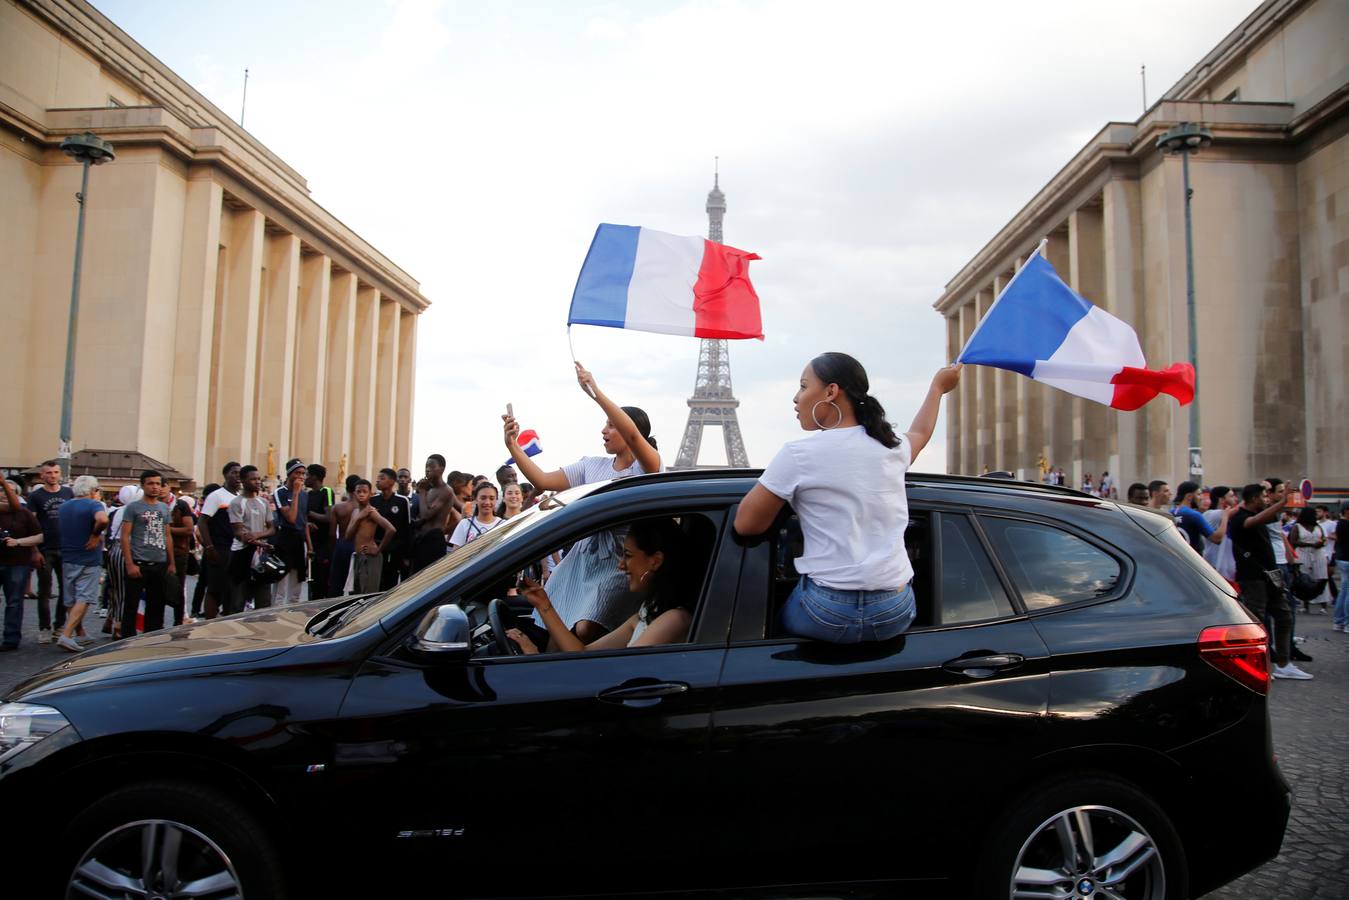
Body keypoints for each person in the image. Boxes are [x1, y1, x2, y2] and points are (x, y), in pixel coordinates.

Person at [734, 354, 961, 643]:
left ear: (831, 391)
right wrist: (937, 389)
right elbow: (920, 432)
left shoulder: (798, 455)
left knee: (762, 632)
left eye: (803, 386)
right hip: (894, 609)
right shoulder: (891, 448)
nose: (796, 397)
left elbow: (746, 525)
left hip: (826, 612)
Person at [503, 361, 661, 642]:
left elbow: (634, 435)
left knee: (587, 628)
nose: (603, 431)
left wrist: (595, 392)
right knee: (555, 622)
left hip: (620, 564)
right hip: (581, 559)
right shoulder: (591, 466)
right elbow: (542, 480)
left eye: (611, 425)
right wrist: (512, 446)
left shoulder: (646, 467)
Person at [508, 518, 693, 654]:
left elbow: (619, 674)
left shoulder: (674, 620)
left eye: (628, 555)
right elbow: (583, 653)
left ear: (655, 561)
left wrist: (533, 655)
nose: (621, 565)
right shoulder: (648, 612)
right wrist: (543, 604)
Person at [1229, 482, 1307, 679]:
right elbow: (1254, 520)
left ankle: (1283, 664)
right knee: (1257, 621)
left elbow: (1267, 516)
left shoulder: (1262, 515)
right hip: (1252, 578)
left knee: (1284, 616)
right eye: (1264, 497)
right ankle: (1257, 665)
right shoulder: (1239, 519)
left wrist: (1280, 501)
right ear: (1254, 498)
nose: (1266, 500)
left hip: (1272, 576)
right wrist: (1282, 501)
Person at [119, 470, 178, 639]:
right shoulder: (133, 507)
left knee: (157, 604)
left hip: (159, 563)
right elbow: (125, 536)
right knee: (131, 604)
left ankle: (151, 638)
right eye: (150, 483)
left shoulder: (163, 508)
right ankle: (127, 639)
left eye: (158, 483)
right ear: (143, 485)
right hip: (139, 562)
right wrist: (130, 564)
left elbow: (167, 535)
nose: (155, 487)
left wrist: (171, 562)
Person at [55, 475, 108, 652]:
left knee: (70, 598)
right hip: (88, 557)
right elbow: (103, 520)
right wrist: (95, 535)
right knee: (84, 597)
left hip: (68, 555)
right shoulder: (94, 505)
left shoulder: (64, 506)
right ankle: (67, 634)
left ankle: (78, 633)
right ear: (93, 490)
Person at [27, 459, 74, 643]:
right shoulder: (36, 496)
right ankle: (44, 628)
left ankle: (59, 626)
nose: (53, 476)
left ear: (60, 474)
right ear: (42, 475)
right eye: (49, 473)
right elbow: (31, 525)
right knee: (44, 590)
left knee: (66, 590)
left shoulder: (68, 493)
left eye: (55, 472)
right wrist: (34, 551)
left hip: (66, 548)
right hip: (45, 549)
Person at [1, 478, 43, 651]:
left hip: (17, 562)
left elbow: (39, 536)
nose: (5, 494)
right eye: (2, 490)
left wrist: (18, 542)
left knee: (14, 602)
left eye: (10, 491)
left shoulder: (23, 513)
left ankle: (11, 638)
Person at [227, 465, 274, 614]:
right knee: (237, 602)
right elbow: (239, 533)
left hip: (260, 555)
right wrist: (257, 540)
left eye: (259, 479)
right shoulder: (236, 503)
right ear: (243, 480)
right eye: (253, 479)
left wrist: (258, 537)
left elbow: (272, 528)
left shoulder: (264, 503)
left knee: (264, 602)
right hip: (241, 554)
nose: (258, 482)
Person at [197, 462, 241, 619]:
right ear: (225, 475)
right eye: (234, 472)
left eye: (239, 473)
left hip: (235, 549)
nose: (237, 476)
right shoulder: (216, 496)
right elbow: (202, 522)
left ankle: (227, 621)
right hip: (219, 548)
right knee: (215, 590)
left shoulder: (239, 497)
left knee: (231, 590)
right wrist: (209, 547)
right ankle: (209, 622)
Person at [272, 459, 311, 605]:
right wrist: (295, 493)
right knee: (281, 585)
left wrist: (310, 546)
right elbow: (291, 518)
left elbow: (304, 521)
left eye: (303, 473)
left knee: (296, 584)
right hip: (285, 539)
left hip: (299, 540)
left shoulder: (305, 495)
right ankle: (275, 613)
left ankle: (293, 611)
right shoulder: (280, 492)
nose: (301, 476)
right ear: (289, 474)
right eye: (297, 473)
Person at [348, 480, 396, 594]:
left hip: (369, 557)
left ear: (370, 494)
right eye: (358, 491)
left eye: (364, 492)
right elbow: (348, 536)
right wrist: (359, 518)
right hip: (358, 556)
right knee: (356, 594)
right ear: (354, 494)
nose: (361, 494)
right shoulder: (355, 512)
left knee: (368, 594)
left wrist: (378, 549)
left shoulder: (371, 512)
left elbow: (391, 529)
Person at [412, 454, 454, 573]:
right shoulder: (429, 489)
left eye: (431, 466)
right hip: (421, 540)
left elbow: (426, 515)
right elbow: (422, 517)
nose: (427, 469)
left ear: (442, 469)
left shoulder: (446, 490)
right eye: (426, 466)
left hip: (433, 542)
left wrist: (421, 492)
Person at [372, 468, 413, 590]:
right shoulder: (373, 500)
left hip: (394, 551)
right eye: (378, 478)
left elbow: (407, 529)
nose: (378, 481)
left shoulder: (402, 501)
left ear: (391, 482)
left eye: (382, 478)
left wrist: (406, 556)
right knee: (376, 583)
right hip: (376, 549)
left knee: (390, 583)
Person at [1171, 480, 1232, 554]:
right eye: (1198, 494)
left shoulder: (1170, 513)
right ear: (1189, 496)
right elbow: (1217, 539)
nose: (1201, 498)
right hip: (1192, 557)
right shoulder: (1194, 515)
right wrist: (1225, 516)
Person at [1289, 507, 1328, 613]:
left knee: (1321, 578)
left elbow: (1323, 538)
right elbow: (1293, 541)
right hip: (1303, 554)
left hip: (1318, 554)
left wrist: (1322, 542)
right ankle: (1305, 605)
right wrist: (1310, 544)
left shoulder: (1318, 526)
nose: (1316, 516)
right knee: (1304, 580)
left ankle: (1323, 606)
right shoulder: (1297, 526)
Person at [167, 484, 197, 625]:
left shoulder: (180, 505)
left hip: (179, 551)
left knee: (179, 588)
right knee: (156, 590)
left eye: (160, 485)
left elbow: (189, 530)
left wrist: (168, 530)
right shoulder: (154, 505)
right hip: (157, 553)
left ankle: (179, 620)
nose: (157, 488)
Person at [305, 464, 333, 601]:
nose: (305, 478)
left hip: (323, 545)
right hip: (311, 544)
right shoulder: (307, 495)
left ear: (315, 477)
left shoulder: (326, 491)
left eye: (307, 475)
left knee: (322, 582)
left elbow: (329, 517)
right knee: (313, 582)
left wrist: (308, 513)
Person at [1202, 485, 1239, 582]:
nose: (1236, 499)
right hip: (1216, 566)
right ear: (1221, 499)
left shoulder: (1223, 515)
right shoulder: (1212, 514)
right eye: (1231, 496)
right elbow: (1237, 509)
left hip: (1227, 569)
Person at [449, 482, 502, 549]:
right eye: (483, 498)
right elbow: (456, 552)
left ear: (496, 500)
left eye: (491, 498)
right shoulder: (465, 524)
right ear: (476, 499)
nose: (487, 502)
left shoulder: (503, 524)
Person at [1332, 506, 1349, 633]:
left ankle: (1338, 621)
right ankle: (1347, 623)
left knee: (1344, 591)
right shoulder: (1346, 524)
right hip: (1347, 559)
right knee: (1347, 593)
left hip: (1341, 559)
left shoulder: (1339, 524)